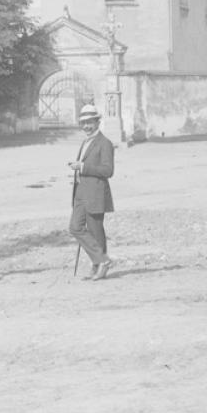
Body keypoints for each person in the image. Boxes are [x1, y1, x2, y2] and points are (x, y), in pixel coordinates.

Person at [69, 103, 115, 280]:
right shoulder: (85, 142)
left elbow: (108, 170)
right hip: (80, 192)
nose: (86, 126)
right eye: (83, 123)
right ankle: (102, 260)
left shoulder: (105, 143)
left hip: (95, 193)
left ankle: (99, 265)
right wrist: (79, 168)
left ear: (97, 122)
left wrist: (83, 167)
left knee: (96, 230)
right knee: (75, 227)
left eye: (90, 122)